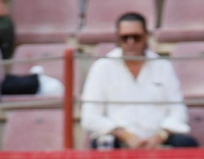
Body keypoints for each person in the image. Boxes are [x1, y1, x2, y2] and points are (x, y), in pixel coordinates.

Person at [81, 12, 196, 147]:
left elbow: (179, 112)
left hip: (158, 138)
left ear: (146, 36)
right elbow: (90, 117)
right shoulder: (102, 67)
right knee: (103, 144)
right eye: (125, 38)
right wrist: (125, 135)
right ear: (117, 38)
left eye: (136, 37)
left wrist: (159, 136)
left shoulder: (163, 66)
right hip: (118, 139)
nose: (131, 42)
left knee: (187, 144)